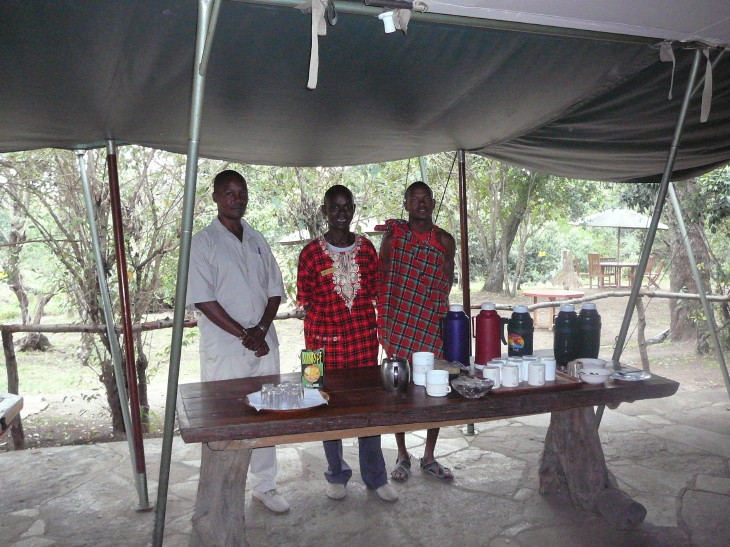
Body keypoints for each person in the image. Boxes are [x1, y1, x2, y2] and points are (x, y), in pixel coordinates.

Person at [186, 169, 290, 513]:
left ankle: (265, 485)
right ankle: (223, 490)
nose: (237, 199)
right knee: (225, 416)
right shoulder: (203, 242)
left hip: (263, 342)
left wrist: (260, 329)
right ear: (215, 197)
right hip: (226, 347)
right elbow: (203, 299)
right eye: (229, 193)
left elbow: (274, 290)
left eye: (242, 192)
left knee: (266, 412)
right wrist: (245, 334)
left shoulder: (257, 239)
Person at [297, 185, 399, 502]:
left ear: (353, 210)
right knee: (325, 409)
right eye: (335, 207)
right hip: (320, 347)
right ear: (324, 211)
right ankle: (336, 474)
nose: (341, 213)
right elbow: (305, 301)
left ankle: (376, 477)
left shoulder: (366, 249)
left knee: (369, 410)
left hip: (362, 343)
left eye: (347, 207)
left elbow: (376, 292)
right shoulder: (310, 254)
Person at [378, 180, 456, 481]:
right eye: (415, 199)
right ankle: (401, 454)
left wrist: (426, 300)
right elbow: (384, 277)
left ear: (433, 203)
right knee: (398, 390)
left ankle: (429, 455)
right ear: (406, 204)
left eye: (426, 199)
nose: (421, 204)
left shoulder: (445, 240)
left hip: (430, 324)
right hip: (400, 323)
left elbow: (445, 283)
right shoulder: (394, 239)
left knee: (434, 389)